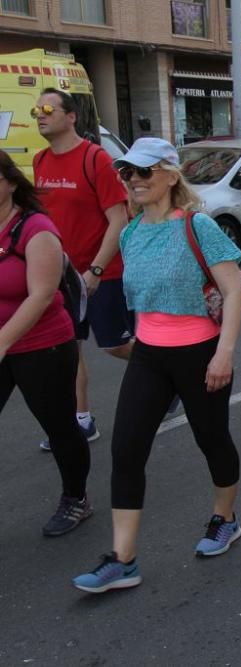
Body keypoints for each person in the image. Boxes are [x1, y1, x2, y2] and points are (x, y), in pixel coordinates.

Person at [72, 138, 241, 593]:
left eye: (144, 172)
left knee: (212, 441)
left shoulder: (198, 225)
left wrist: (224, 353)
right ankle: (123, 559)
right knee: (126, 450)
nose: (133, 180)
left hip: (199, 354)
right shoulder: (130, 234)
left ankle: (225, 518)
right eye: (127, 172)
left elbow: (232, 291)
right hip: (148, 355)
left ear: (171, 174)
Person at [32, 88, 131, 450]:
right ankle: (82, 421)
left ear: (71, 116)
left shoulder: (95, 159)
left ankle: (163, 370)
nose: (39, 115)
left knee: (114, 346)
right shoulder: (40, 161)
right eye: (36, 110)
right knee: (67, 350)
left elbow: (118, 219)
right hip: (61, 275)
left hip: (104, 272)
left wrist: (97, 269)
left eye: (46, 108)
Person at [0, 152, 93, 536]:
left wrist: (2, 341)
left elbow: (40, 295)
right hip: (6, 344)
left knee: (59, 428)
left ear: (9, 182)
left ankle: (77, 498)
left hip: (44, 346)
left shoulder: (35, 228)